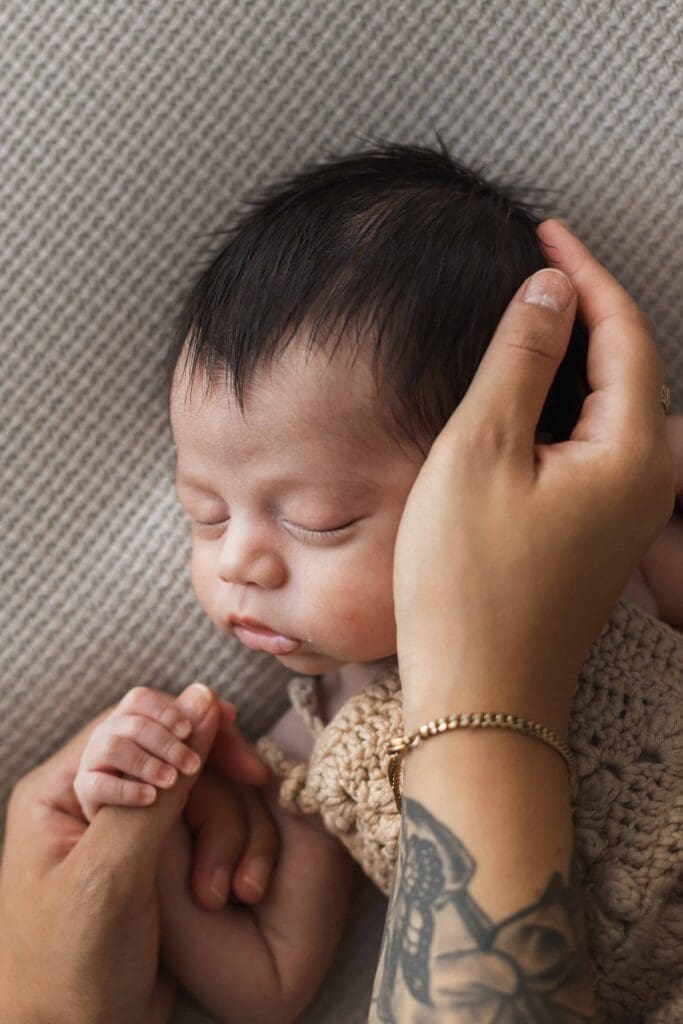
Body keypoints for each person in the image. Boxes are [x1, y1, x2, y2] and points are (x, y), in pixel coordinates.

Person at [0, 206, 676, 1020]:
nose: (237, 561)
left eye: (316, 520)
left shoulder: (604, 572)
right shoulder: (317, 746)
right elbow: (266, 987)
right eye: (203, 512)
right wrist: (134, 830)